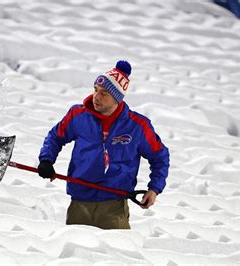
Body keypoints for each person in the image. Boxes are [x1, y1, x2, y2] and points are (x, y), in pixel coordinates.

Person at [38, 60, 170, 229]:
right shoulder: (78, 115)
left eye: (104, 93)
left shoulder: (137, 126)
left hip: (114, 207)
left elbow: (160, 156)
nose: (96, 97)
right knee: (76, 251)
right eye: (95, 90)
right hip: (80, 203)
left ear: (117, 98)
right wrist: (46, 160)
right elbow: (55, 137)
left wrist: (154, 188)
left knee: (115, 254)